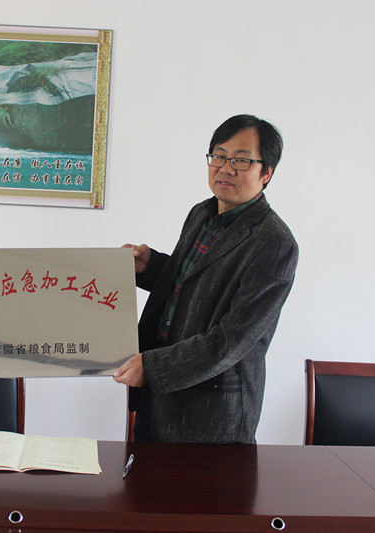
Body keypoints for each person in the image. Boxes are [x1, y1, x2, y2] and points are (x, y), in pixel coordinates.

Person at [114, 114, 298, 444]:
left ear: (267, 172)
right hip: (158, 397)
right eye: (219, 156)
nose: (226, 168)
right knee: (141, 478)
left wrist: (154, 368)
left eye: (241, 160)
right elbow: (193, 284)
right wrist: (150, 266)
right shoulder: (202, 213)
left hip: (210, 414)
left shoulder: (275, 243)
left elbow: (230, 341)